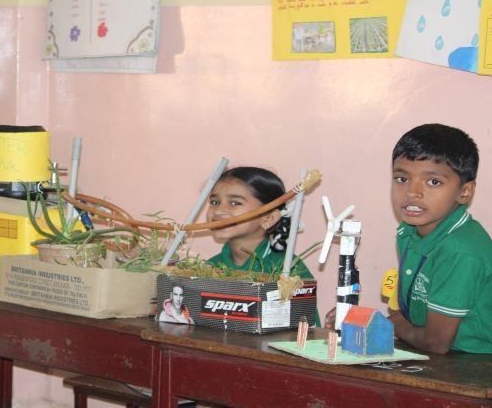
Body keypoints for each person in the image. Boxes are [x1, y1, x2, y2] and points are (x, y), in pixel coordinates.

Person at [346, 123, 490, 354]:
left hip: (476, 362)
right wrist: (362, 319)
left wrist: (388, 323)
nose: (412, 192)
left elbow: (436, 342)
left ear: (465, 192)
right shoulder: (408, 232)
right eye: (402, 179)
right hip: (438, 355)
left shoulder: (460, 249)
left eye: (433, 182)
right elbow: (411, 316)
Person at [206, 166, 320, 325]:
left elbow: (308, 329)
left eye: (235, 203)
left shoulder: (288, 270)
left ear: (269, 218)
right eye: (214, 201)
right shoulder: (209, 268)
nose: (218, 211)